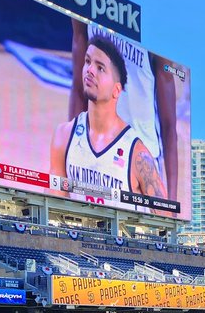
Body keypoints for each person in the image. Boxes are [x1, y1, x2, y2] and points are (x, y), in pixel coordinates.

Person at [51, 32, 168, 205]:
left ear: (116, 90)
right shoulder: (63, 136)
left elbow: (165, 221)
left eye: (100, 68)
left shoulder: (138, 154)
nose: (90, 70)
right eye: (88, 61)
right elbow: (53, 206)